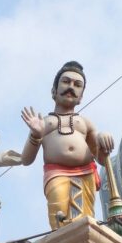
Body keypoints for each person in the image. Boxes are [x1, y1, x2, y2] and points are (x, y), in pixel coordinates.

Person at [21, 61, 114, 229]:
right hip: (56, 175)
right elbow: (26, 159)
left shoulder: (85, 123)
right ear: (54, 91)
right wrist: (36, 135)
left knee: (86, 220)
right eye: (66, 82)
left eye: (77, 85)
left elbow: (101, 158)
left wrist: (103, 138)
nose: (71, 87)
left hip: (85, 174)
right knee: (60, 217)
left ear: (81, 97)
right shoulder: (44, 123)